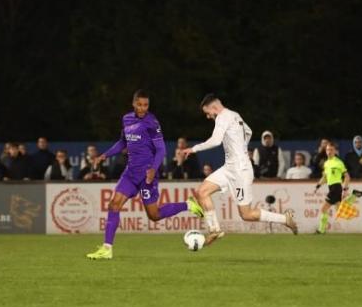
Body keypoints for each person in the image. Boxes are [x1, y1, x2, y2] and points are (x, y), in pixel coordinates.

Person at [86, 90, 205, 260]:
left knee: (154, 215)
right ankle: (107, 248)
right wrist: (105, 155)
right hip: (130, 173)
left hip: (147, 174)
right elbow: (122, 142)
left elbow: (161, 149)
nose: (143, 108)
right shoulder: (126, 119)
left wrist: (153, 170)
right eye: (140, 105)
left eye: (146, 105)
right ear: (133, 104)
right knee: (114, 204)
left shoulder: (152, 122)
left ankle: (188, 205)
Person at [180, 93, 297, 245]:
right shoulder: (235, 115)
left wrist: (194, 149)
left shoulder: (222, 117)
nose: (208, 117)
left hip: (240, 171)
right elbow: (249, 131)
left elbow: (216, 140)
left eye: (208, 113)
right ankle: (215, 230)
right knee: (202, 192)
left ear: (214, 107)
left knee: (246, 214)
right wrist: (241, 147)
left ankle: (284, 219)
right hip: (230, 167)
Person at [314, 142, 351, 234]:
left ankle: (321, 230)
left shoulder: (339, 162)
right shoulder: (326, 163)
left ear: (335, 151)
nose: (329, 151)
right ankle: (353, 197)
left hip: (336, 188)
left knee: (323, 209)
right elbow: (325, 177)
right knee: (340, 210)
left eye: (331, 150)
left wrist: (345, 189)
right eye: (327, 149)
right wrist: (318, 185)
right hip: (331, 188)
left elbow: (347, 176)